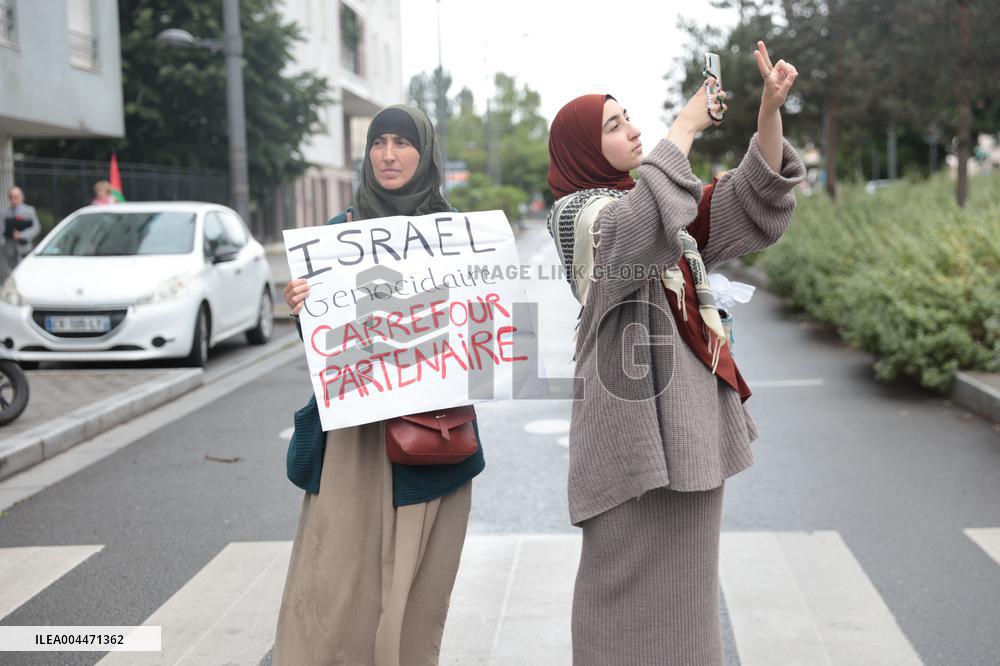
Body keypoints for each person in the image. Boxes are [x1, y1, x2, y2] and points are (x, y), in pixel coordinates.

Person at [545, 41, 806, 664]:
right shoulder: (577, 213)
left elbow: (745, 202)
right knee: (618, 585)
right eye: (614, 125)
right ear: (582, 149)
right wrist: (684, 126)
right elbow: (633, 239)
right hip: (627, 424)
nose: (632, 129)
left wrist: (768, 113)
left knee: (687, 593)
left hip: (687, 420)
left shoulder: (660, 204)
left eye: (629, 116)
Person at [272, 104, 485, 666]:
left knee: (415, 589)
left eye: (403, 143)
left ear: (426, 153)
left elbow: (479, 334)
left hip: (429, 436)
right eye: (379, 142)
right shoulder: (338, 235)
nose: (388, 155)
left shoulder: (456, 235)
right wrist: (303, 307)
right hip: (353, 441)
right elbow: (322, 344)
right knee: (337, 580)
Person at [1, 186, 41, 282]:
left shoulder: (29, 211)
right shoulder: (3, 212)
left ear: (22, 197)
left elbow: (36, 228)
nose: (14, 199)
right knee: (8, 277)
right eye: (11, 197)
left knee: (25, 275)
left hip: (24, 249)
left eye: (16, 197)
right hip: (7, 250)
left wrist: (22, 235)